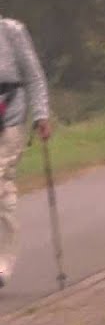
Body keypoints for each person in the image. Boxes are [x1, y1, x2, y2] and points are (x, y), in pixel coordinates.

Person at [0, 15, 52, 288]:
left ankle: (3, 264)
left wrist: (41, 115)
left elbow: (34, 76)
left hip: (9, 119)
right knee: (5, 190)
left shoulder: (12, 31)